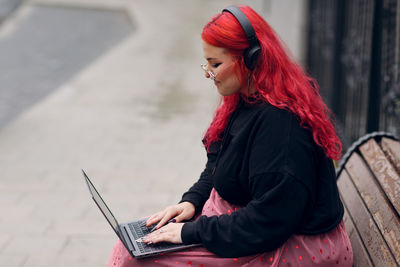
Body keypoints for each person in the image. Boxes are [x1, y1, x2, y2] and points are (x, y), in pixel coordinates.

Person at [107, 5, 353, 267]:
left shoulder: (280, 126)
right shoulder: (245, 98)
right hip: (246, 226)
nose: (207, 73)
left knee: (135, 258)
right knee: (131, 245)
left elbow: (268, 221)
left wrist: (190, 232)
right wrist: (192, 201)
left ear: (251, 59)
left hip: (292, 243)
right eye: (207, 63)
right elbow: (217, 165)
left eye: (215, 64)